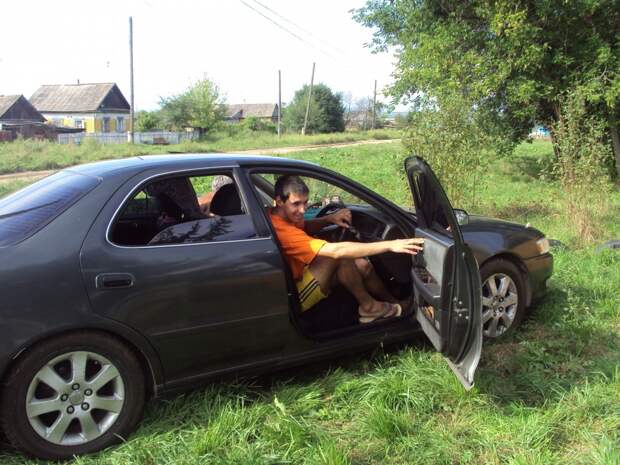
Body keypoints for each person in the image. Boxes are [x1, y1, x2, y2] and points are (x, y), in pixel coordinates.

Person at [269, 175, 424, 323]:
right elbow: (336, 251)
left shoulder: (285, 215)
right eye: (296, 204)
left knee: (362, 265)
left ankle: (396, 305)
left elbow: (304, 227)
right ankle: (369, 307)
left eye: (305, 203)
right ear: (279, 201)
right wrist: (390, 245)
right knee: (339, 256)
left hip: (303, 271)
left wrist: (329, 219)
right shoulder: (281, 230)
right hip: (293, 294)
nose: (303, 210)